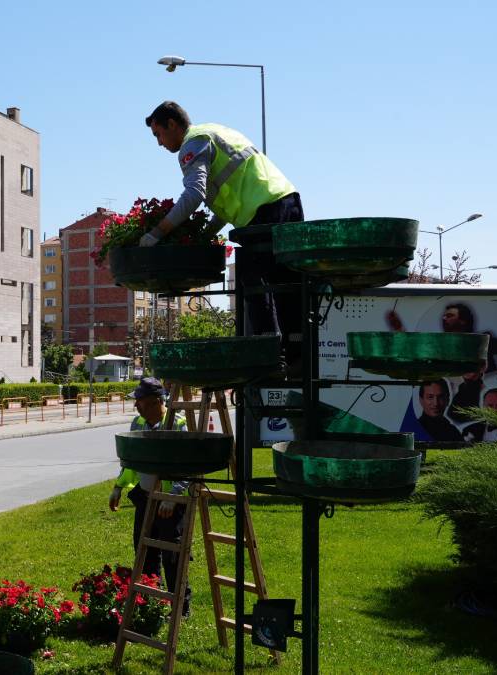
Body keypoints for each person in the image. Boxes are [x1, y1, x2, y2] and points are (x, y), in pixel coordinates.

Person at [141, 101, 303, 361]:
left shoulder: (191, 145)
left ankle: (268, 354)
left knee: (253, 278)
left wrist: (156, 234)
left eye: (158, 134)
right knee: (286, 281)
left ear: (172, 124)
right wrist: (206, 234)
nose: (159, 143)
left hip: (262, 210)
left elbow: (194, 194)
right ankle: (296, 353)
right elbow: (225, 194)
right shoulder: (213, 131)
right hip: (285, 198)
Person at [108, 377, 191, 615]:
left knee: (172, 555)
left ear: (156, 402)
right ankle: (152, 601)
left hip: (170, 504)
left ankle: (180, 606)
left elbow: (188, 465)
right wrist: (119, 486)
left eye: (140, 401)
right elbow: (132, 459)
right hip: (146, 498)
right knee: (145, 552)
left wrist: (173, 495)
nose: (136, 406)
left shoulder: (178, 423)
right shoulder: (138, 423)